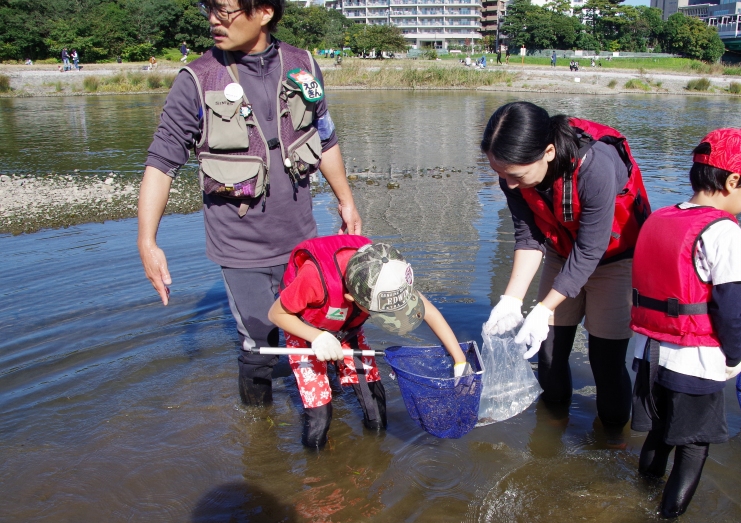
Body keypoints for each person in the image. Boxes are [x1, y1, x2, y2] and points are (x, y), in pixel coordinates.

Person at [138, 0, 361, 408]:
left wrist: (347, 202)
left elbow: (325, 138)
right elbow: (161, 161)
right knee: (261, 344)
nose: (213, 21)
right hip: (241, 247)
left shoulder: (304, 64)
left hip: (302, 240)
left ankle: (324, 427)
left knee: (319, 332)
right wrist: (147, 240)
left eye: (224, 11)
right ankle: (260, 436)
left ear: (264, 12)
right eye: (210, 9)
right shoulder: (196, 79)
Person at [630, 128, 741, 518]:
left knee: (659, 435)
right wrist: (734, 359)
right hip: (692, 361)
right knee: (694, 448)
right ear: (733, 181)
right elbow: (730, 310)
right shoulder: (724, 232)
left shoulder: (659, 217)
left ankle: (638, 496)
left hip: (646, 354)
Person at [481, 101, 651, 445]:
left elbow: (591, 248)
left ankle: (612, 441)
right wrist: (511, 300)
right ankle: (550, 434)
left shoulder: (596, 166)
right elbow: (529, 236)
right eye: (501, 175)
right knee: (549, 351)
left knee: (606, 361)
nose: (510, 185)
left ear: (546, 152)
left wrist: (543, 309)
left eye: (516, 175)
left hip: (615, 259)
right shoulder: (511, 177)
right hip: (563, 251)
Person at [268, 238, 469, 448]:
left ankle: (375, 454)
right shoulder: (314, 278)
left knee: (375, 406)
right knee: (319, 415)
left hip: (348, 328)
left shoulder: (386, 273)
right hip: (304, 328)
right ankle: (317, 471)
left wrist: (460, 360)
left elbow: (431, 312)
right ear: (352, 298)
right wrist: (317, 337)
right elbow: (276, 314)